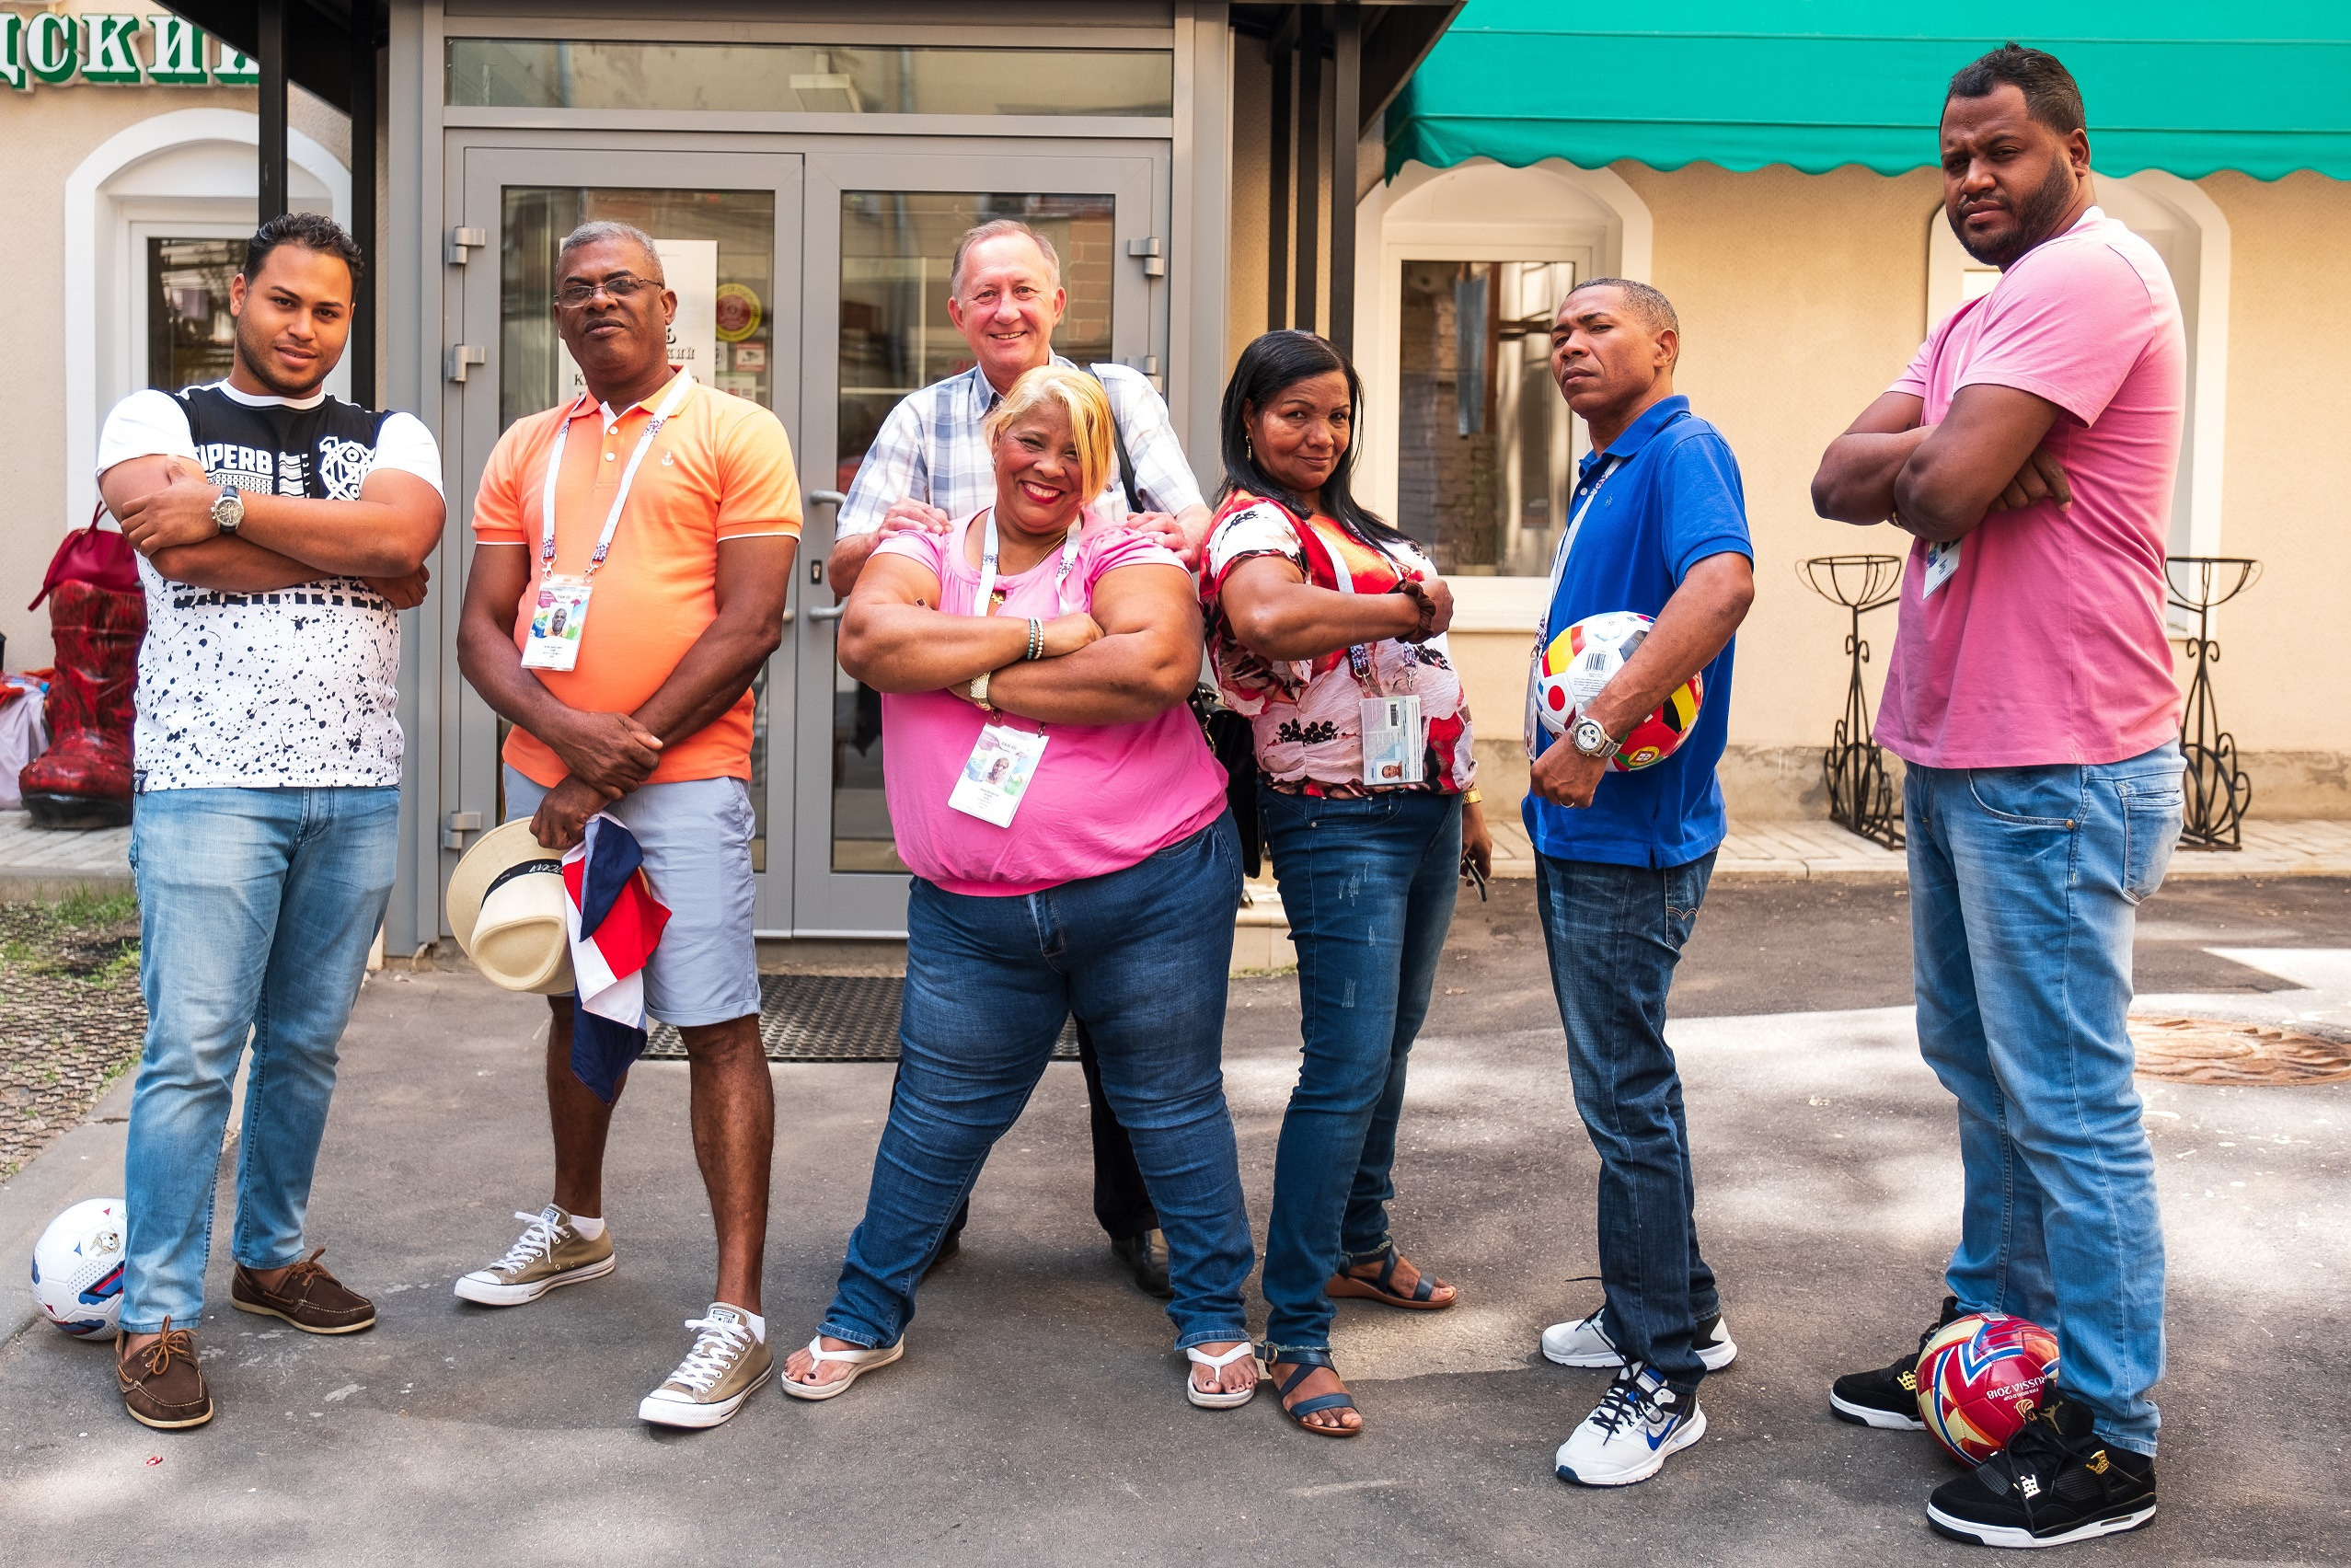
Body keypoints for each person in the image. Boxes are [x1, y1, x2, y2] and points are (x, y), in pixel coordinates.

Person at [1810, 45, 2184, 1550]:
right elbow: (1845, 475)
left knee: (2068, 1095)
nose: (1973, 180)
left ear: (2074, 152)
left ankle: (2109, 1428)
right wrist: (1945, 450)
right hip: (1966, 744)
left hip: (2060, 752)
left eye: (2004, 155)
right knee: (1978, 1060)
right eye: (1956, 157)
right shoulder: (1981, 305)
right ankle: (1992, 1350)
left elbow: (1947, 494)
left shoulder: (2091, 277)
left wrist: (1955, 464)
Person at [781, 364, 1258, 1411]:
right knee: (933, 1116)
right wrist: (1049, 637)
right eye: (1027, 441)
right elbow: (867, 641)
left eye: (1073, 449)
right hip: (971, 911)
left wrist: (968, 674)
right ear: (993, 439)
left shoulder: (1124, 544)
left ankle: (1216, 1314)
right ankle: (865, 1312)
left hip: (1151, 886)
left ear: (1099, 463)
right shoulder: (919, 539)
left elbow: (1151, 668)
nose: (1048, 465)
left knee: (1171, 1105)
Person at [94, 212, 445, 1430]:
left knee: (302, 1045)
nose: (305, 328)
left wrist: (228, 514)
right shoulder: (157, 419)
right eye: (285, 301)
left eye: (329, 310)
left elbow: (405, 540)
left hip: (354, 785)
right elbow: (171, 550)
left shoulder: (388, 433)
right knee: (193, 1055)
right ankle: (153, 1321)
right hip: (206, 783)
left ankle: (273, 1258)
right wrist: (346, 556)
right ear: (237, 293)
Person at [454, 219, 801, 1431]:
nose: (597, 303)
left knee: (712, 1026)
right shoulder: (525, 447)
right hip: (547, 780)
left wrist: (604, 763)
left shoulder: (733, 432)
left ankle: (738, 1315)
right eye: (575, 291)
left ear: (668, 307)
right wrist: (562, 736)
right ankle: (576, 1223)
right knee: (572, 1002)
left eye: (621, 286)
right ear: (556, 317)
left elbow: (749, 624)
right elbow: (480, 629)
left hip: (680, 783)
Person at [826, 217, 1212, 1298]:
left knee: (1126, 1037)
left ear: (1055, 302)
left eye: (1023, 290)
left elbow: (1181, 532)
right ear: (957, 314)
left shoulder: (1118, 401)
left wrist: (1015, 611)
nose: (1004, 309)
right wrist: (950, 570)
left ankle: (1135, 1221)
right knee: (950, 1054)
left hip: (1098, 753)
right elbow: (849, 568)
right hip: (979, 743)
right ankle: (930, 1220)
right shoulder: (920, 414)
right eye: (982, 294)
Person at [1201, 329, 1491, 1437]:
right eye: (1294, 415)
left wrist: (1465, 798)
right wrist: (1408, 606)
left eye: (1335, 415)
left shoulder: (1351, 525)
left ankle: (1357, 1248)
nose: (1318, 435)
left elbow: (1422, 677)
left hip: (1417, 810)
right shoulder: (1251, 525)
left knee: (1393, 1043)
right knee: (1343, 1065)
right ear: (1248, 421)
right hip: (1335, 819)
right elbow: (1268, 620)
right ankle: (1294, 1331)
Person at [1516, 281, 1755, 1486]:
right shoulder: (1606, 467)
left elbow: (1717, 589)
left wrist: (1596, 733)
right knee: (1618, 1092)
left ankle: (1661, 1377)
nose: (1566, 346)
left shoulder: (1680, 450)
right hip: (1584, 839)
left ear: (1663, 342)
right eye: (1555, 332)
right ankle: (1666, 1307)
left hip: (1628, 838)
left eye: (1594, 326)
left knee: (1625, 1102)